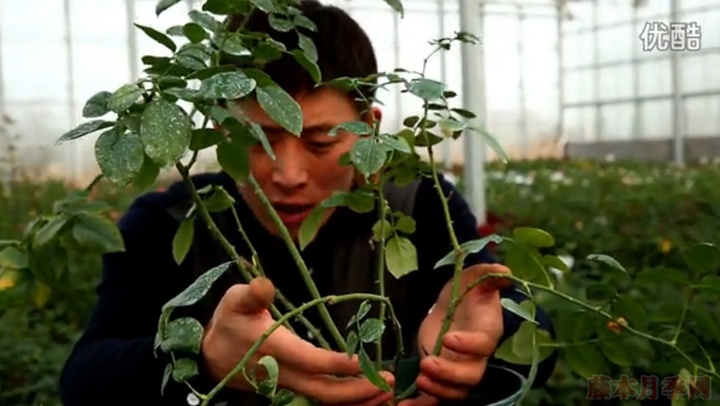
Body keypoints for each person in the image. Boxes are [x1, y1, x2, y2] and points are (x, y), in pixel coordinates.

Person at [59, 2, 557, 405]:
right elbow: (85, 379)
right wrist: (203, 357)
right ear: (219, 132)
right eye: (259, 140)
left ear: (371, 128)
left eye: (320, 142)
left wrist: (489, 339)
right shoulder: (167, 222)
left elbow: (514, 322)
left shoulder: (418, 203)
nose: (288, 176)